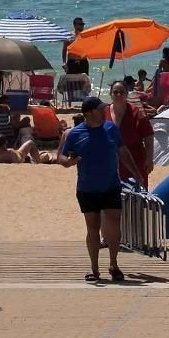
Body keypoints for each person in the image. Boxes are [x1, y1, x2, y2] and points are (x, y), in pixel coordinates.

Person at [57, 96, 142, 283]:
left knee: (114, 225)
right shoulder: (75, 134)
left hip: (111, 185)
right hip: (87, 188)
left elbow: (122, 151)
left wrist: (136, 172)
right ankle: (94, 269)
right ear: (89, 113)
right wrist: (69, 162)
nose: (104, 112)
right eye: (100, 109)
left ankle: (114, 264)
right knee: (93, 228)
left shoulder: (111, 128)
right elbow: (61, 157)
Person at [107, 82, 153, 188]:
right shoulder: (103, 113)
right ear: (111, 94)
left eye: (122, 92)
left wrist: (149, 159)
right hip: (110, 165)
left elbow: (149, 137)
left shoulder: (138, 113)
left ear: (127, 94)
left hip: (135, 163)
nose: (118, 95)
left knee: (137, 195)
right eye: (115, 92)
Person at [62, 17, 91, 101]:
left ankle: (85, 101)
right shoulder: (69, 36)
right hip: (72, 62)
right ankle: (70, 101)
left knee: (84, 81)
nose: (82, 26)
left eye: (83, 24)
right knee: (71, 82)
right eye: (80, 24)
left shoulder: (86, 35)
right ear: (75, 25)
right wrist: (64, 62)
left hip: (83, 62)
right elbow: (64, 50)